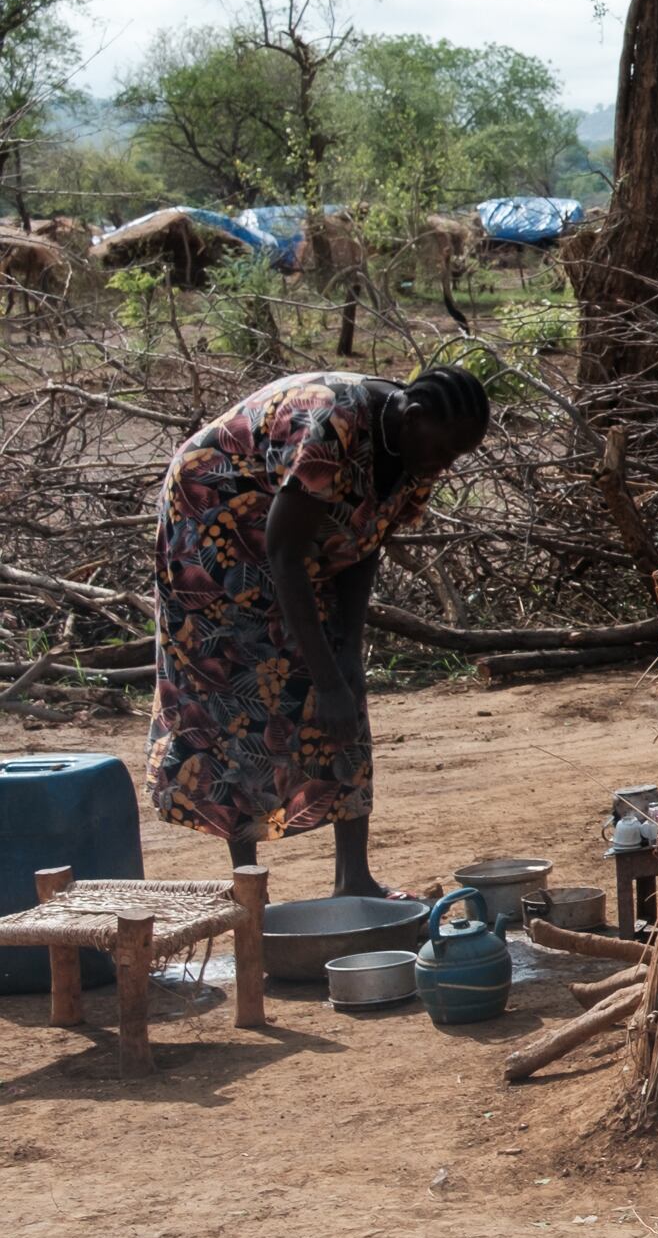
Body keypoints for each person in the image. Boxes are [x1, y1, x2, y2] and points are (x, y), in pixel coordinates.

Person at [146, 365, 492, 896]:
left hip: (291, 538)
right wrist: (326, 682)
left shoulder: (414, 450)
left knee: (343, 695)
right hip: (214, 521)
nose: (446, 465)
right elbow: (284, 556)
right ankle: (249, 887)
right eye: (446, 452)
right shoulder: (333, 424)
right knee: (233, 689)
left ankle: (354, 882)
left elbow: (363, 544)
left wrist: (347, 659)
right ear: (415, 417)